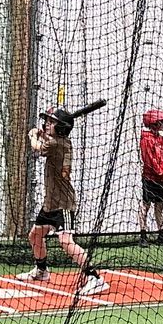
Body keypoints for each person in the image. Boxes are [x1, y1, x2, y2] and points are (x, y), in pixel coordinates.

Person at [26, 106, 109, 296]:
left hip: (63, 203)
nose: (47, 124)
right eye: (47, 121)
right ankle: (41, 271)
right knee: (35, 235)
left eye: (52, 122)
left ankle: (95, 278)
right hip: (50, 203)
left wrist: (32, 135)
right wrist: (43, 134)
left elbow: (38, 147)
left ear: (62, 127)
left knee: (65, 241)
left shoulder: (57, 144)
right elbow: (49, 141)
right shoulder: (60, 142)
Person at [137, 108, 163, 246]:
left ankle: (161, 233)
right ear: (154, 123)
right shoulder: (146, 138)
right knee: (146, 205)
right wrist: (161, 173)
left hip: (161, 178)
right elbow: (149, 160)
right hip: (150, 177)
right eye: (161, 121)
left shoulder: (161, 139)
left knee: (160, 205)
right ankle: (143, 234)